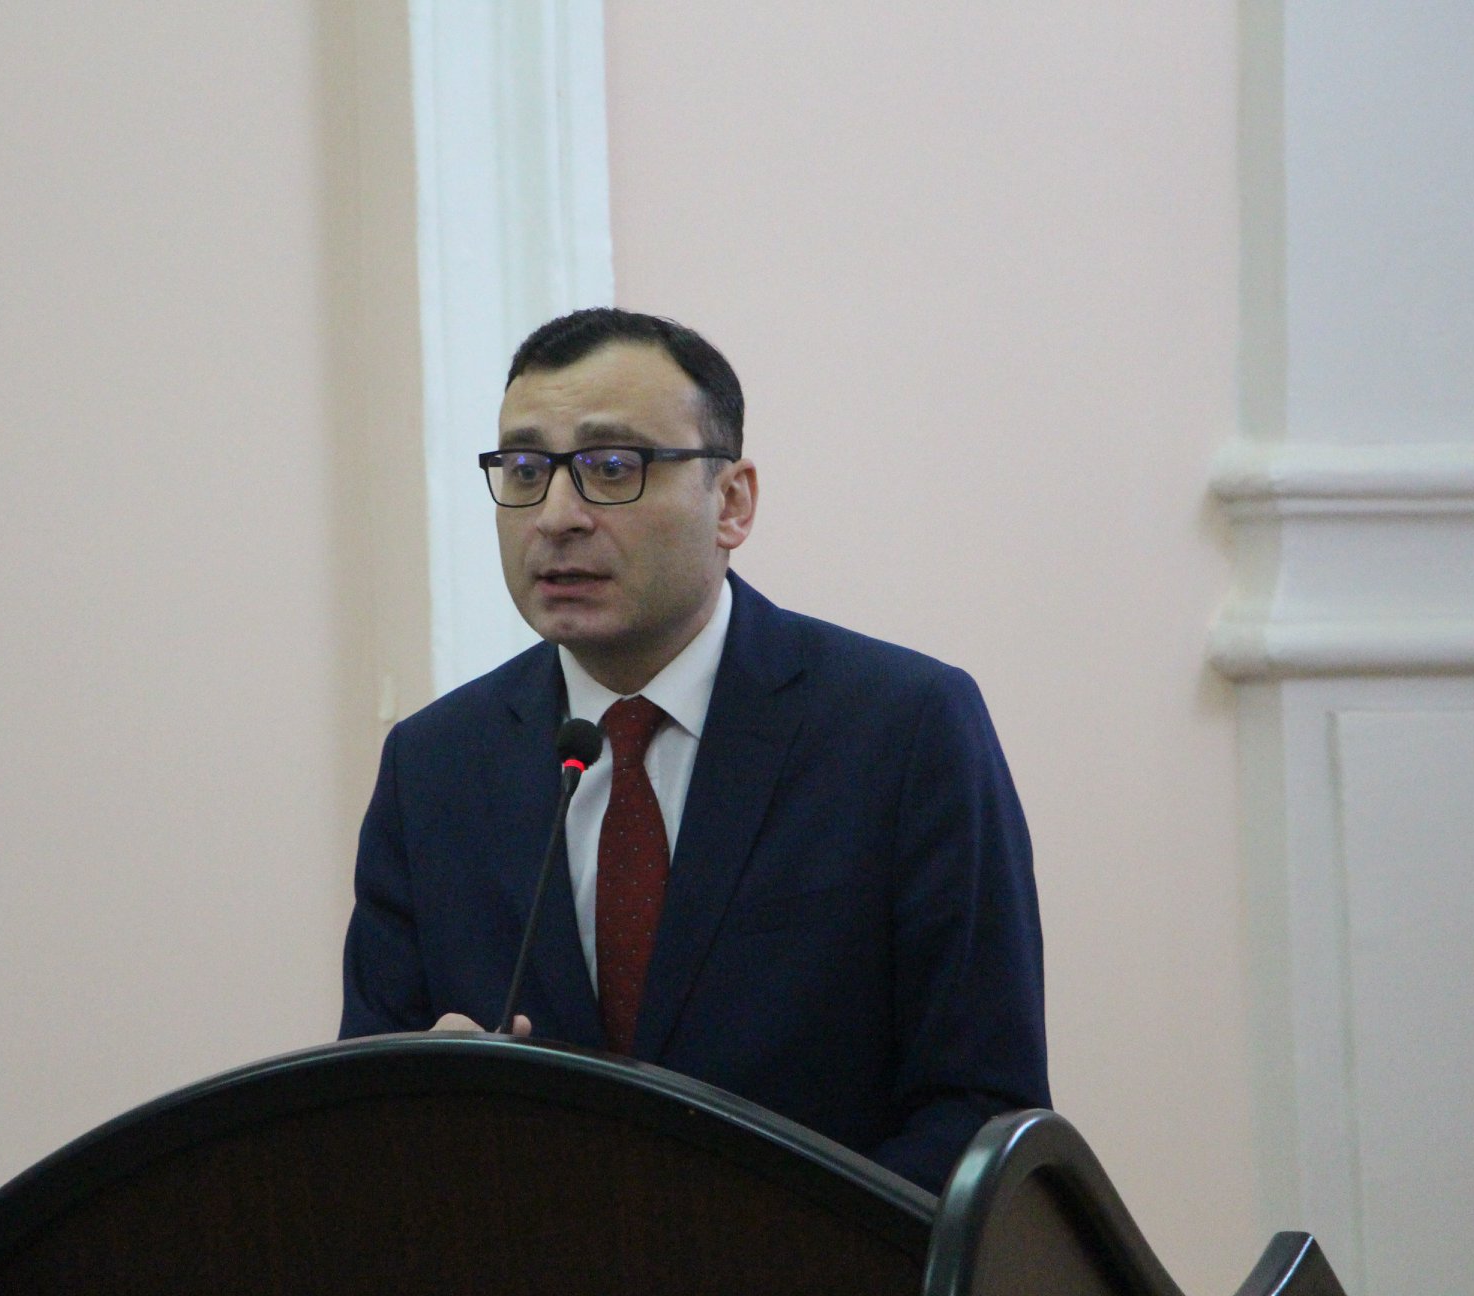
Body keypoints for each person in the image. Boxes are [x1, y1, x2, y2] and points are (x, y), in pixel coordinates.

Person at [339, 308, 1047, 1193]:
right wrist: (422, 1109)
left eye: (611, 468)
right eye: (525, 471)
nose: (556, 517)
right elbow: (361, 1121)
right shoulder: (434, 767)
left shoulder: (903, 731)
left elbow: (979, 1109)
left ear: (732, 503)